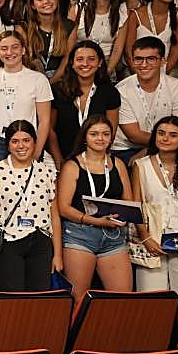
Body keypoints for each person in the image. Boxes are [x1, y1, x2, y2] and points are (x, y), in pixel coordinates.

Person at [0, 120, 61, 292]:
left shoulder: (47, 172)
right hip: (7, 241)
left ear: (34, 142)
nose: (21, 146)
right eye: (15, 141)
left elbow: (54, 216)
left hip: (40, 239)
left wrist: (57, 254)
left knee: (39, 298)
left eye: (26, 140)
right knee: (12, 299)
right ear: (8, 145)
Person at [56, 116, 133, 297]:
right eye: (94, 134)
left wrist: (123, 215)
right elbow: (63, 208)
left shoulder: (118, 164)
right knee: (78, 299)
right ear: (85, 137)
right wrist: (96, 221)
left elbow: (128, 202)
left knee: (122, 299)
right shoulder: (72, 166)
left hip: (113, 236)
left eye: (105, 134)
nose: (100, 138)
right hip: (80, 235)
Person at [132, 116, 178, 300]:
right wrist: (145, 238)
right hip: (152, 240)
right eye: (161, 133)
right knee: (151, 302)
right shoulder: (140, 165)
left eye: (173, 135)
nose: (165, 139)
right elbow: (136, 206)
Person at [111, 37, 178, 166]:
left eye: (151, 59)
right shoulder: (121, 90)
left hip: (166, 145)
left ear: (162, 61)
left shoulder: (176, 87)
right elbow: (134, 135)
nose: (144, 65)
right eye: (138, 59)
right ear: (132, 61)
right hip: (127, 149)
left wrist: (150, 150)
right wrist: (154, 148)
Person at [0, 30, 52, 166]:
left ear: (24, 50)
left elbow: (44, 121)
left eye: (15, 47)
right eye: (4, 48)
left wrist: (36, 153)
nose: (9, 52)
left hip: (24, 141)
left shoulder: (38, 79)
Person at [49, 41, 121, 163]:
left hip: (97, 158)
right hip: (62, 157)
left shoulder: (110, 92)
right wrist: (59, 161)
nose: (85, 64)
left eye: (91, 59)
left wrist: (96, 160)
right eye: (80, 59)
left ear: (100, 63)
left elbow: (110, 132)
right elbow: (50, 131)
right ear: (72, 63)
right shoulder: (57, 90)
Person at [75, 0, 127, 67]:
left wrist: (106, 74)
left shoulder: (122, 14)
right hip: (80, 64)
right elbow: (70, 44)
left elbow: (117, 50)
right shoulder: (78, 9)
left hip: (107, 64)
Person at [24, 0, 77, 80]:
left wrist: (51, 82)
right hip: (32, 80)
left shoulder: (69, 26)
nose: (46, 1)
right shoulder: (25, 28)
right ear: (33, 5)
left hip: (61, 81)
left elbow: (67, 60)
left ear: (57, 0)